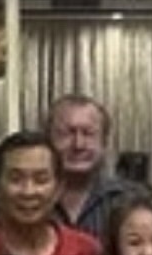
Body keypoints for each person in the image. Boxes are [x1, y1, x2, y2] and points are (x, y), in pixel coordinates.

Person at [45, 95, 132, 241]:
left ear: (104, 142)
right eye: (66, 133)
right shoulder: (28, 202)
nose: (79, 145)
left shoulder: (130, 200)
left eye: (89, 134)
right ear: (48, 141)